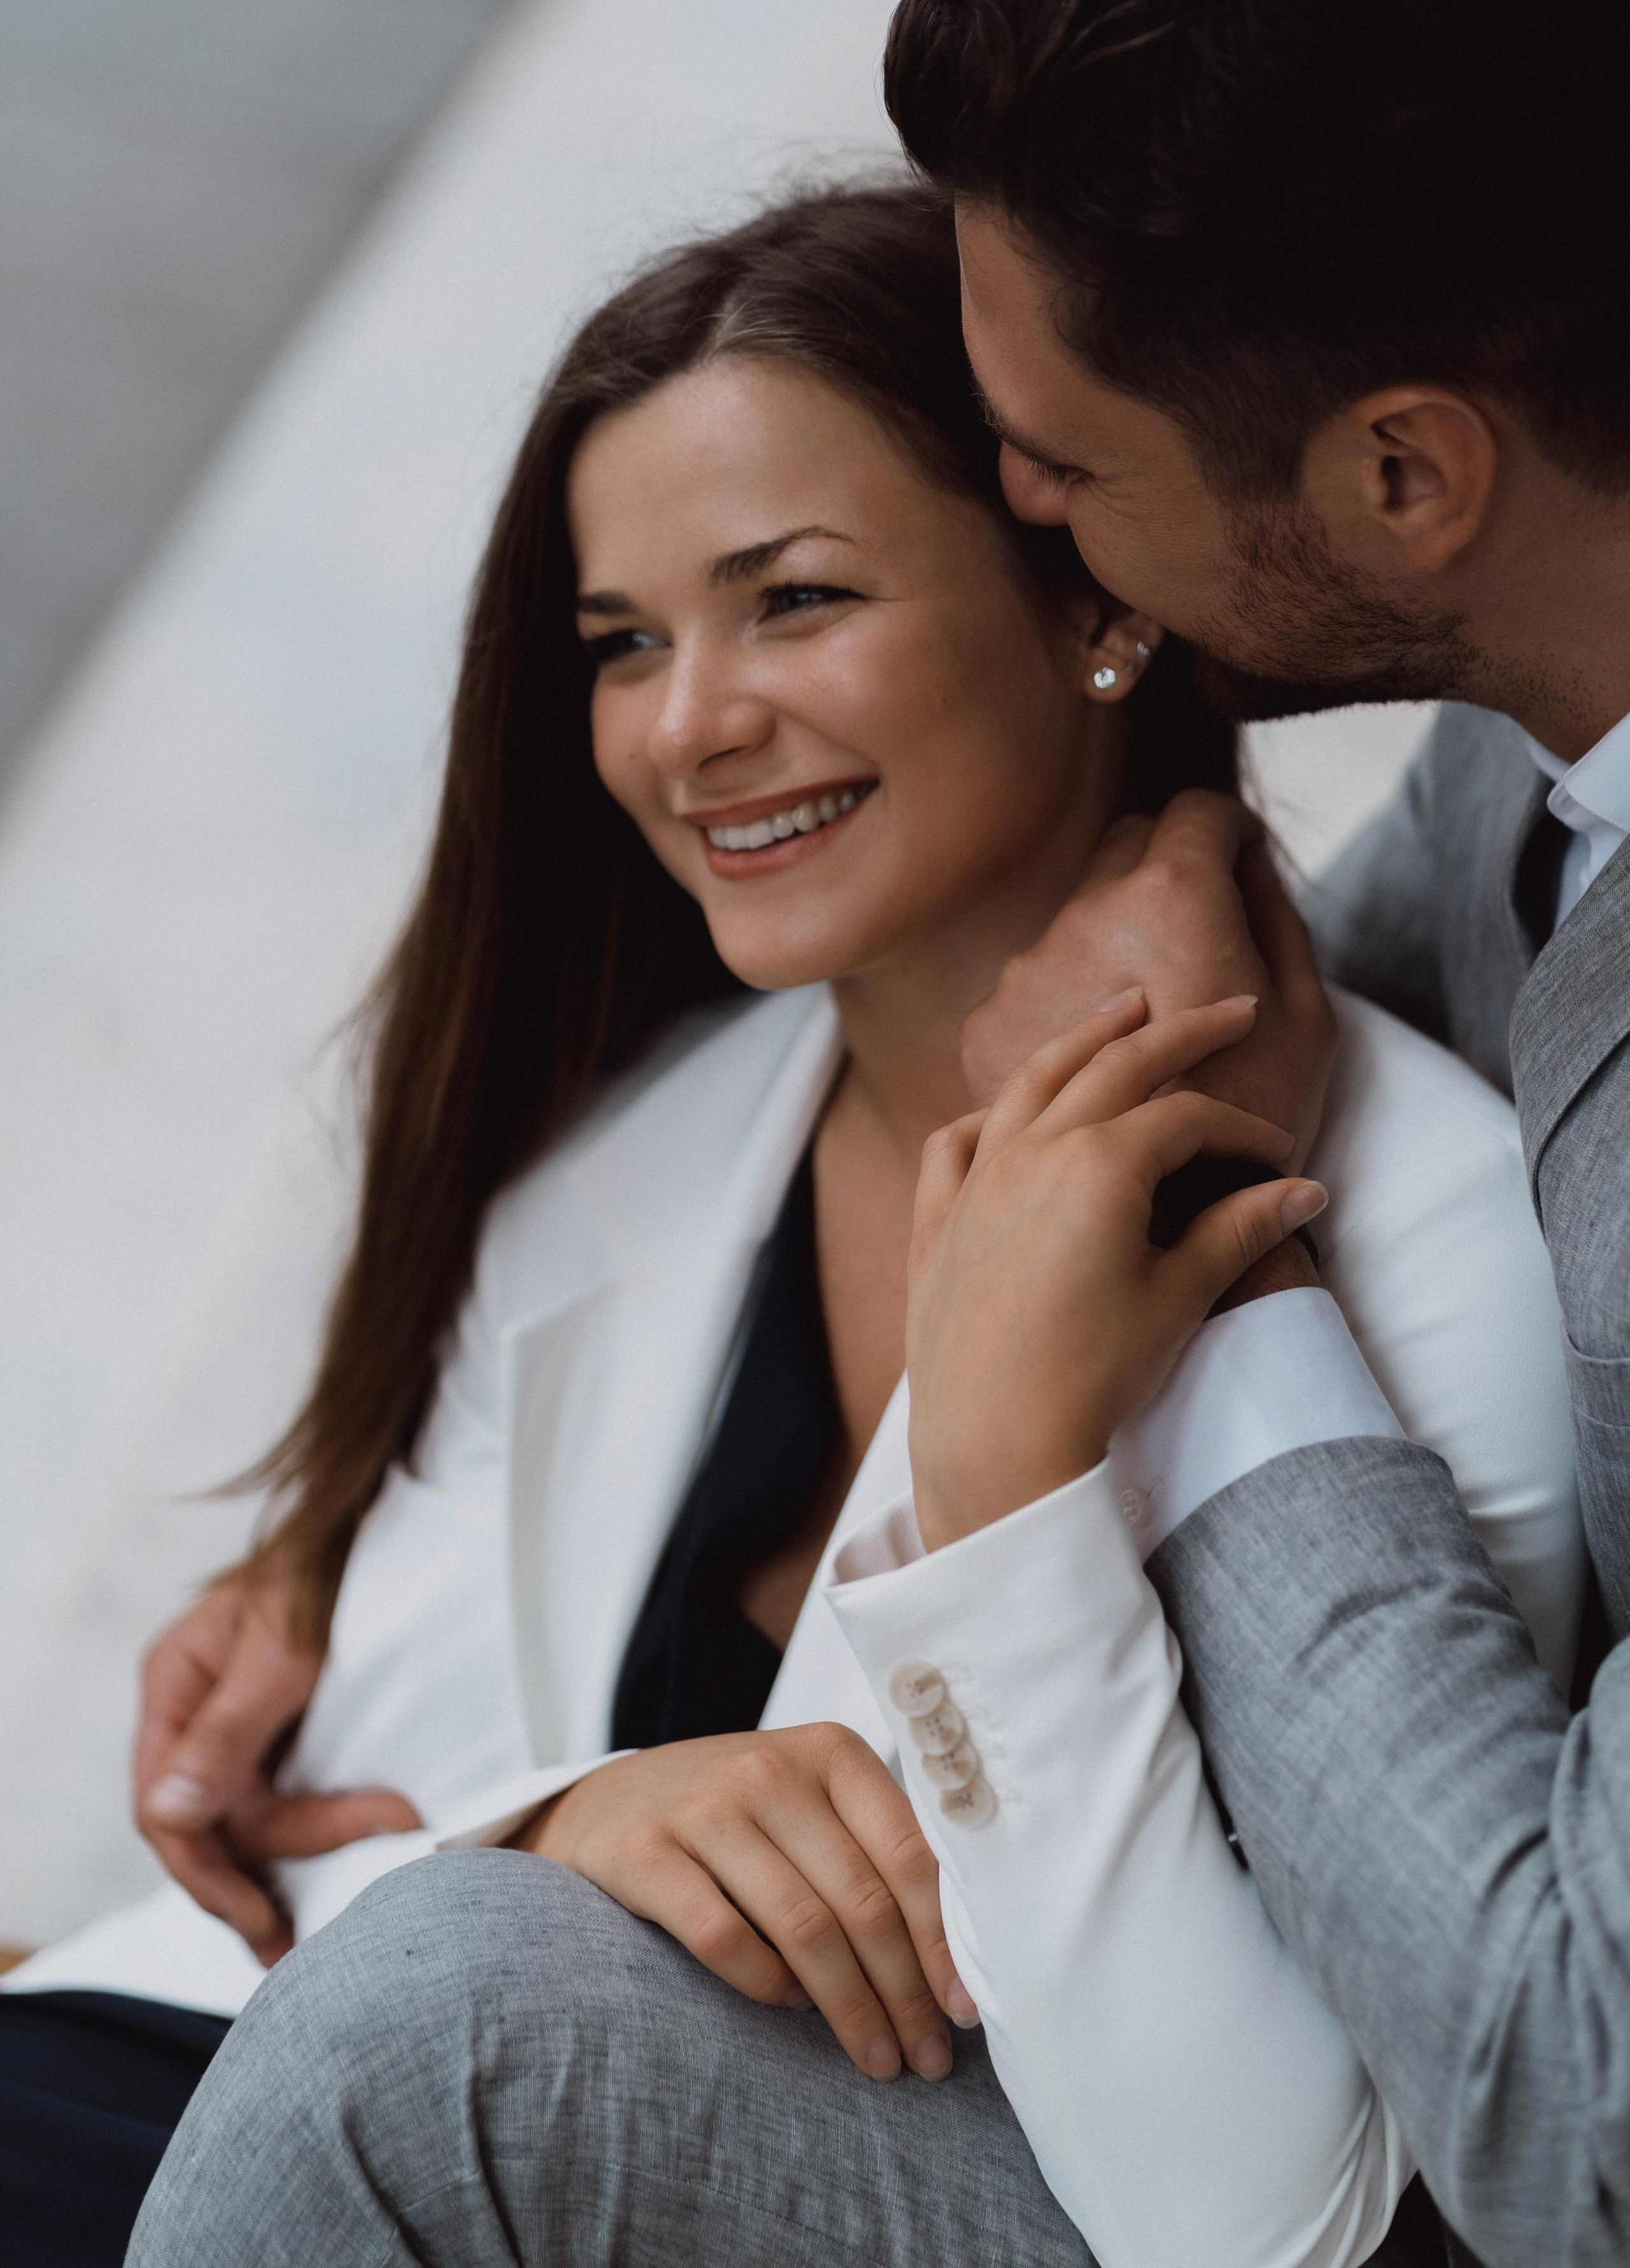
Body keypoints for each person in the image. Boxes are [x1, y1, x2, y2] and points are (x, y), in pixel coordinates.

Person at [5, 183, 1573, 2267]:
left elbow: (1267, 2206)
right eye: (624, 645)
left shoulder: (1434, 1237)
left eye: (795, 601)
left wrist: (1009, 1504)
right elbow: (333, 1842)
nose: (686, 726)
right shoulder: (643, 1149)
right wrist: (571, 1816)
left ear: (1093, 599)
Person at [873, 0, 1630, 2262]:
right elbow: (1385, 979)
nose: (1014, 510)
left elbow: (1585, 2116)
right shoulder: (1537, 716)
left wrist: (1229, 1278)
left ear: (1406, 476)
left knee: (443, 2052)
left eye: (1066, 467)